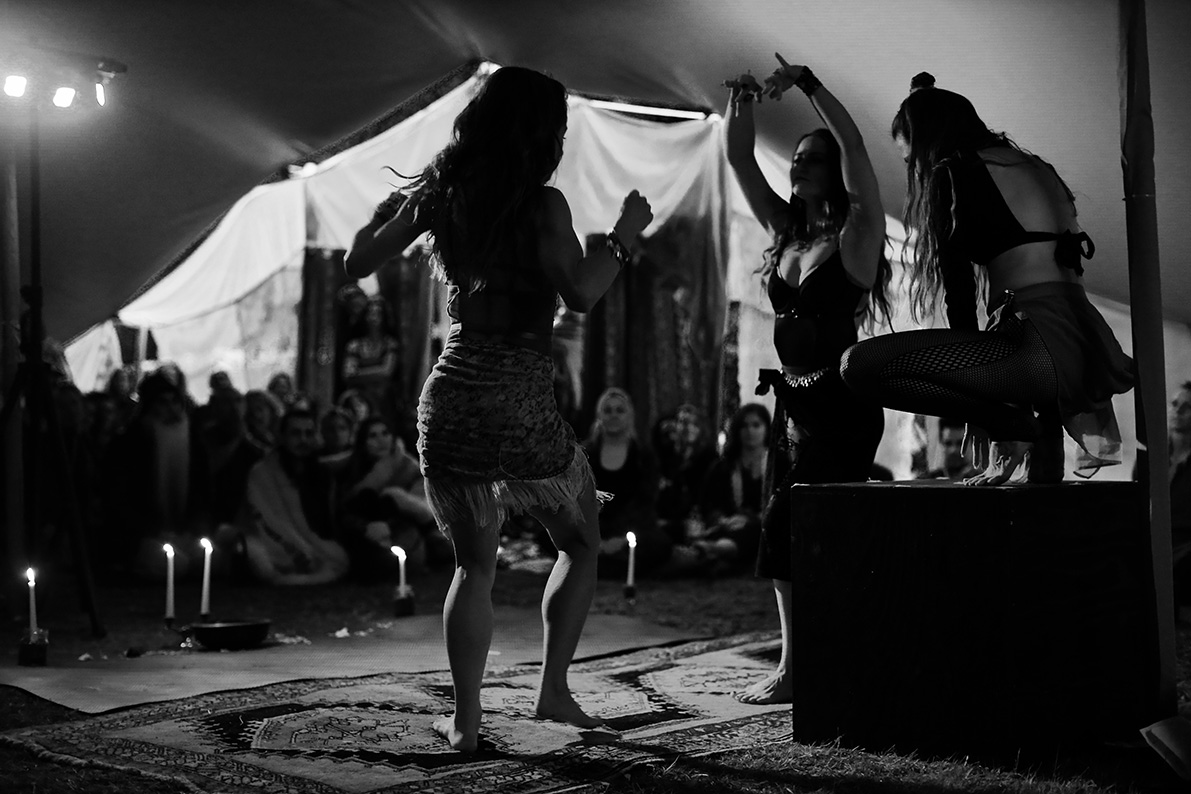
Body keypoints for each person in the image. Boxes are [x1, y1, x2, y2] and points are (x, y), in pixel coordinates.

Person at [343, 66, 653, 752]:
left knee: (472, 567)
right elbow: (581, 293)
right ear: (538, 135)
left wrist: (390, 211)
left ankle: (466, 721)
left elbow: (357, 262)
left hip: (450, 394)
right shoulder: (543, 206)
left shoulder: (440, 195)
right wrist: (625, 233)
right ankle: (552, 690)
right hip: (516, 396)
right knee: (579, 540)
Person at [840, 73, 1134, 486]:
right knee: (1040, 479)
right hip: (1082, 344)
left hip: (1036, 342)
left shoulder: (952, 172)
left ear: (927, 143)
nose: (914, 171)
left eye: (911, 160)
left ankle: (1012, 426)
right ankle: (1033, 441)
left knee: (858, 366)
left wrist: (980, 409)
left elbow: (959, 293)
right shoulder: (1036, 167)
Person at [723, 54, 892, 705]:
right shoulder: (786, 232)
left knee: (793, 524)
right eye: (794, 159)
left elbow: (855, 145)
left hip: (841, 404)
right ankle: (804, 660)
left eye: (812, 159)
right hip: (792, 404)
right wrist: (741, 101)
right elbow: (740, 160)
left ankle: (811, 664)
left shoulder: (858, 234)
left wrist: (808, 84)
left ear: (834, 171)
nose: (799, 166)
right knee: (786, 531)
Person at [238, 407, 350, 586]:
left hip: (312, 543)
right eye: (296, 434)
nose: (303, 440)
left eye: (309, 433)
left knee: (338, 556)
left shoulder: (321, 474)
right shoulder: (262, 472)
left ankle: (299, 575)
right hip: (271, 541)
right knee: (258, 558)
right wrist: (295, 545)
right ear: (282, 436)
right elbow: (262, 517)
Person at [582, 388, 669, 579]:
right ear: (599, 416)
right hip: (593, 527)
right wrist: (596, 539)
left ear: (629, 416)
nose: (613, 415)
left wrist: (620, 540)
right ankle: (611, 562)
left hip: (630, 529)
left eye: (619, 410)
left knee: (660, 543)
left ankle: (597, 564)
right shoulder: (584, 454)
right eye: (608, 410)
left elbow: (645, 501)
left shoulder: (644, 456)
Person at [698, 403, 771, 568]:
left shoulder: (778, 464)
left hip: (763, 527)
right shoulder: (724, 467)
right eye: (744, 426)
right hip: (728, 526)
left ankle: (718, 552)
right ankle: (719, 554)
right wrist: (723, 520)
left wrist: (751, 519)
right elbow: (708, 503)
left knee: (761, 531)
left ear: (767, 429)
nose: (750, 431)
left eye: (756, 425)